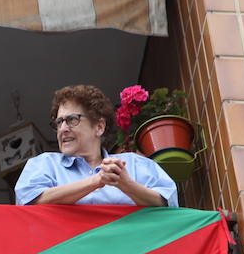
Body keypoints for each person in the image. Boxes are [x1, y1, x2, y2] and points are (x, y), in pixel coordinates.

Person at [14, 84, 176, 207]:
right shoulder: (44, 164)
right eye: (59, 122)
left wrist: (127, 185)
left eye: (72, 120)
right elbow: (27, 202)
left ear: (99, 127)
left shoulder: (134, 164)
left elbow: (170, 204)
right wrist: (96, 181)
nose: (63, 129)